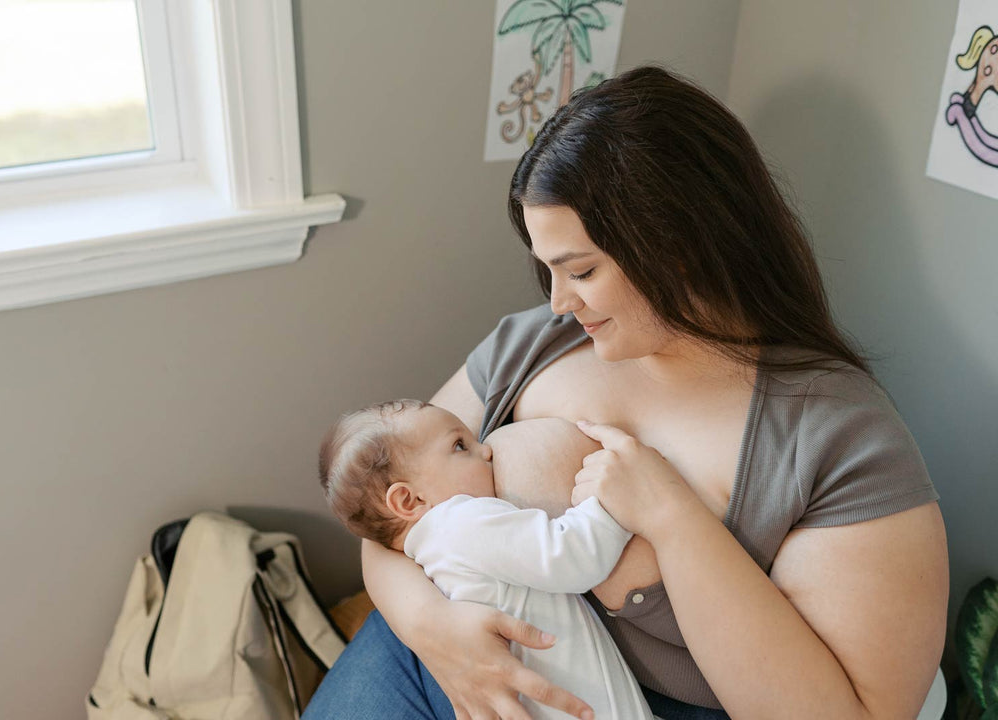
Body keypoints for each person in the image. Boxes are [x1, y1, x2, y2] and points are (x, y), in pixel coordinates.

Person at [305, 65, 949, 720]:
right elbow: (386, 516)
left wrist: (673, 517)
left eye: (580, 270)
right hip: (443, 653)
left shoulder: (836, 439)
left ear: (680, 246)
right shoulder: (536, 342)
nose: (557, 302)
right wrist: (435, 633)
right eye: (548, 270)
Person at [318, 399, 655, 720]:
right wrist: (614, 495)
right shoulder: (459, 523)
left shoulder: (429, 556)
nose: (486, 449)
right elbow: (573, 556)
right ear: (409, 499)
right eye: (460, 446)